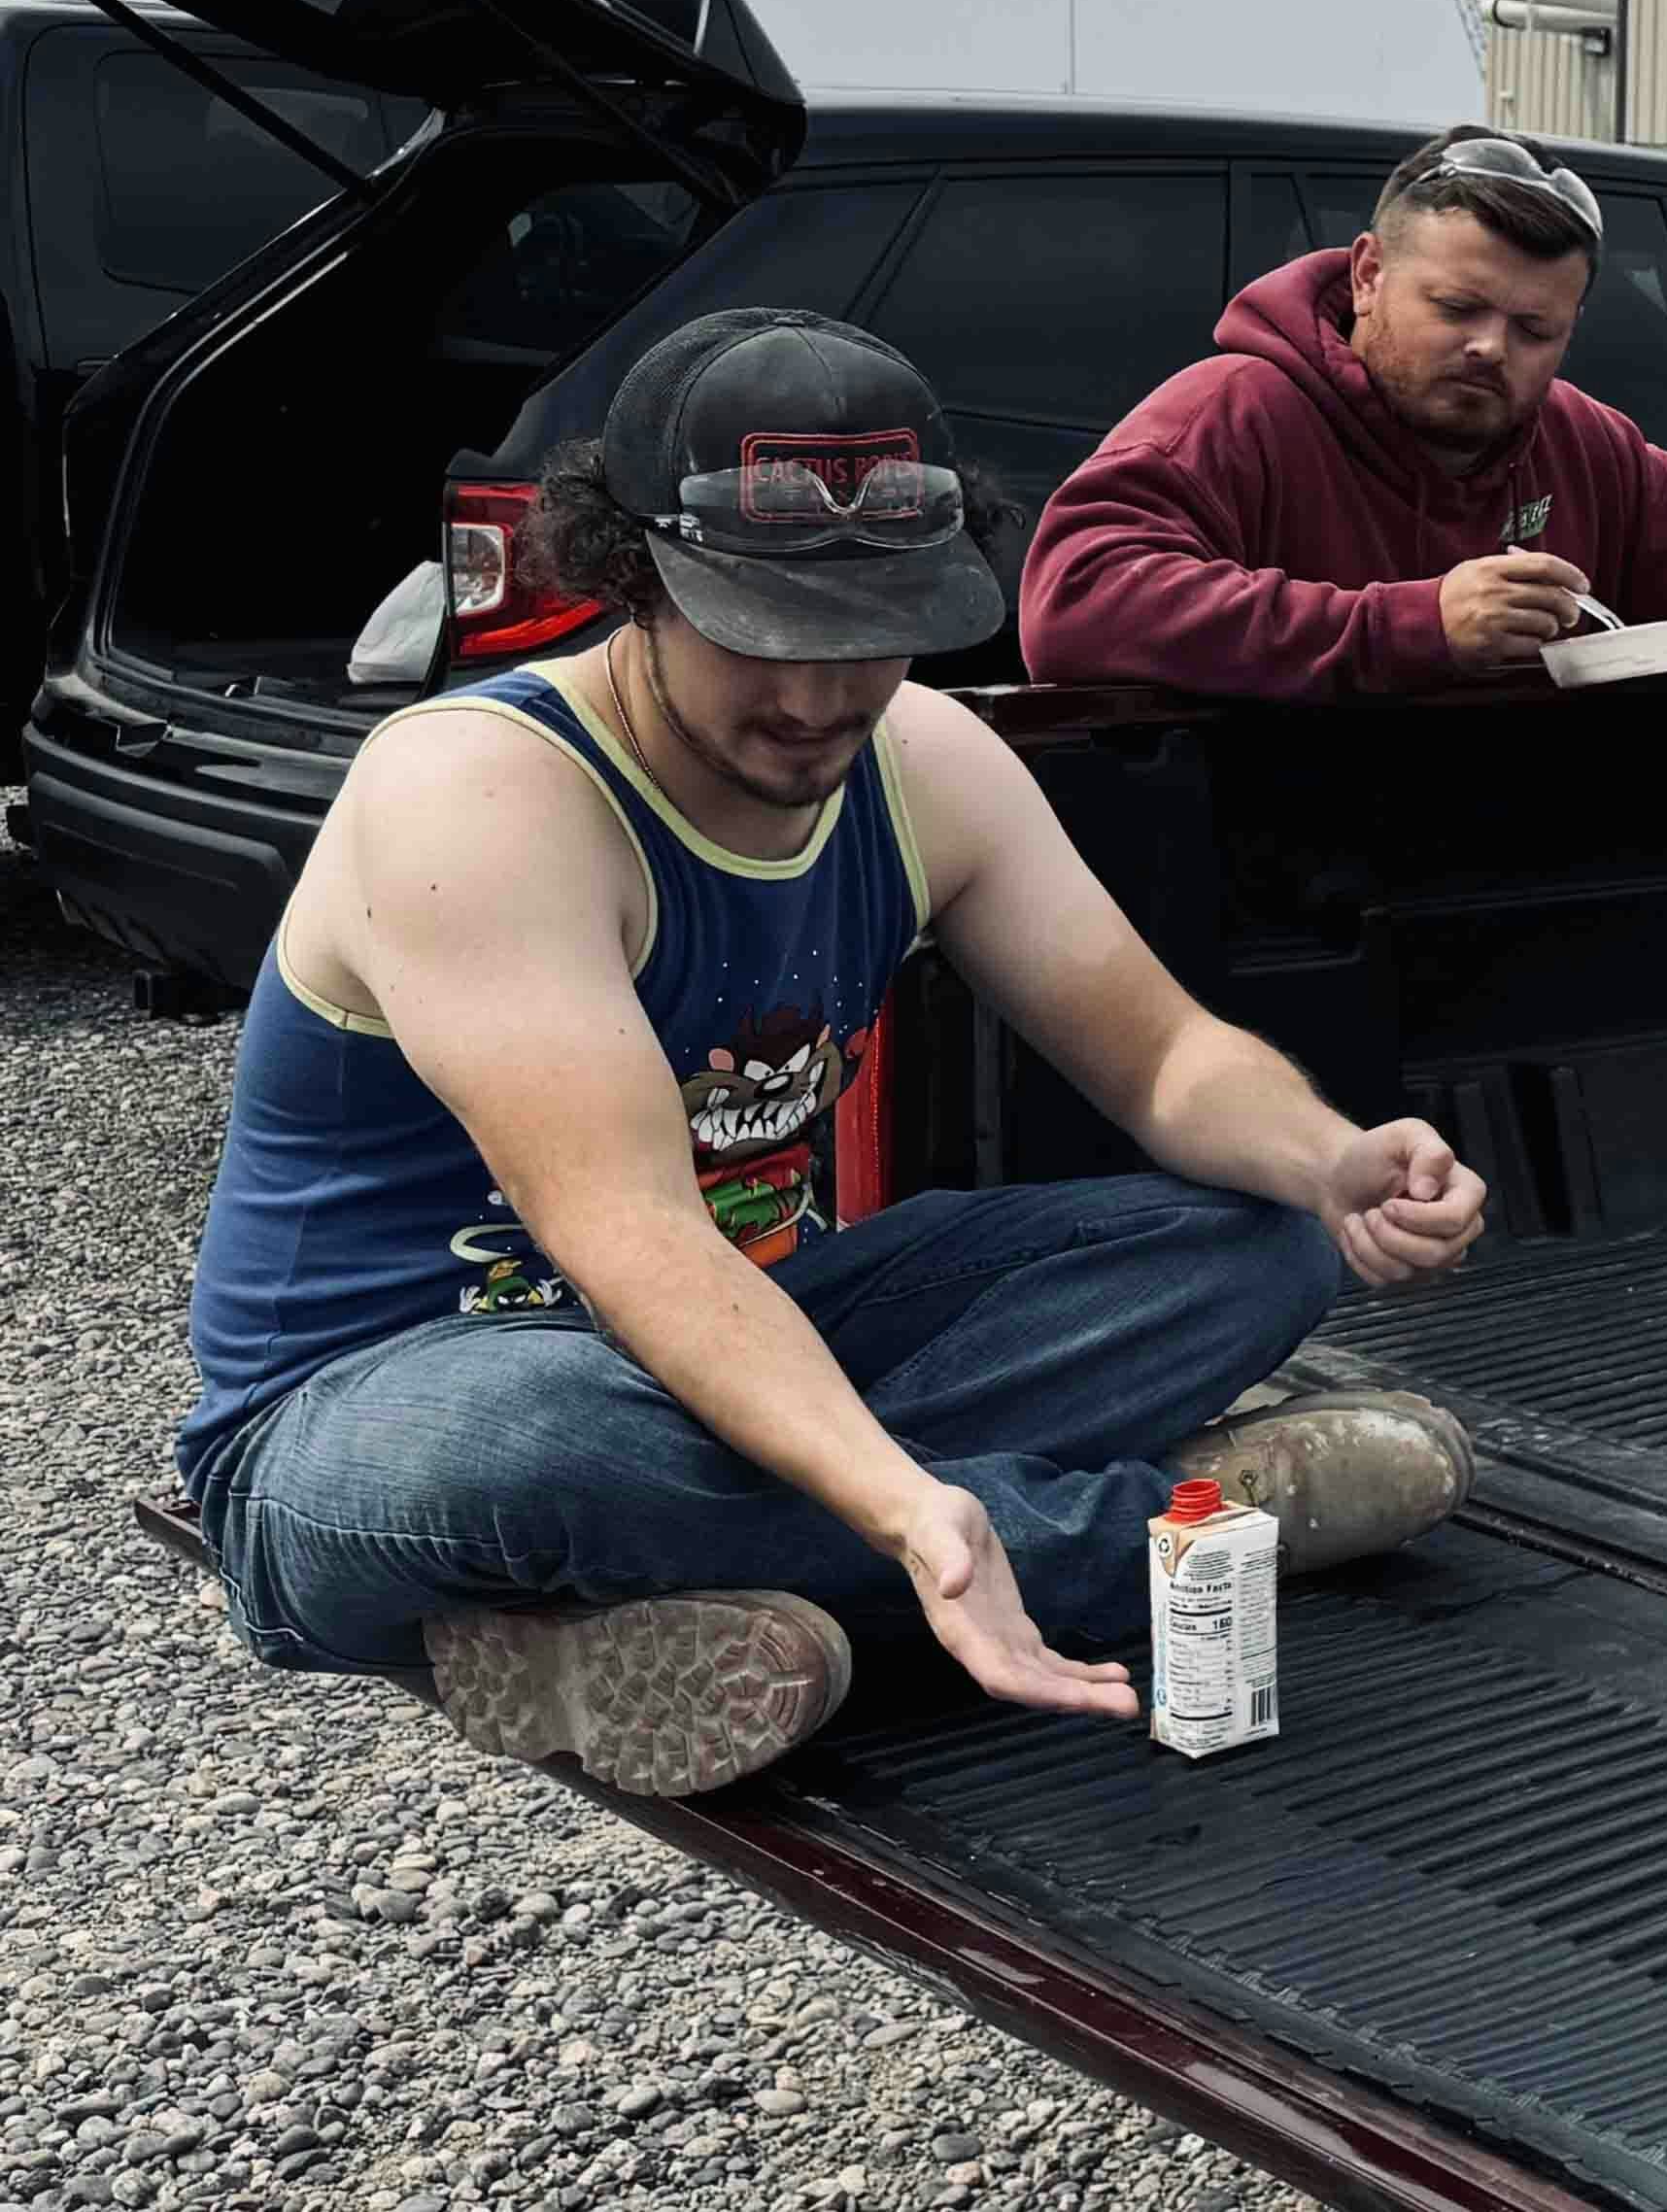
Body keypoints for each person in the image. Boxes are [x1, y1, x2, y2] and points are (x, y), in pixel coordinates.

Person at [183, 308, 1495, 1798]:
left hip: (745, 1331)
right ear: (633, 583)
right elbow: (626, 1234)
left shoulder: (929, 761)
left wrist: (1339, 1161)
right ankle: (1156, 1524)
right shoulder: (479, 799)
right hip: (376, 1416)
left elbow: (1165, 1062)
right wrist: (897, 1500)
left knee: (1271, 1241)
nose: (815, 697)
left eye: (864, 635)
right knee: (555, 1436)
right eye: (759, 634)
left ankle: (656, 1609)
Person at [1019, 126, 1667, 695]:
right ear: (1368, 274)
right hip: (1276, 894)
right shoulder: (1230, 414)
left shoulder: (1579, 438)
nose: (1492, 349)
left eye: (1534, 329)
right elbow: (1077, 604)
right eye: (1458, 308)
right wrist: (1415, 626)